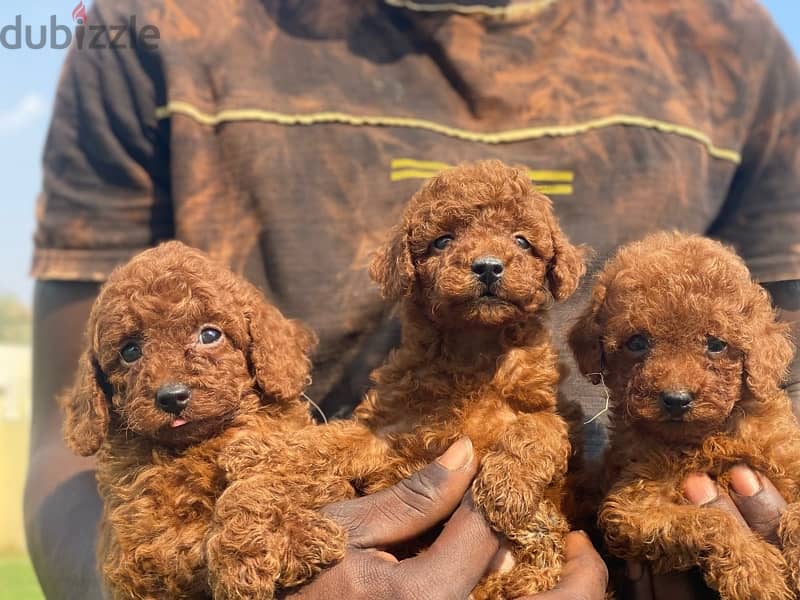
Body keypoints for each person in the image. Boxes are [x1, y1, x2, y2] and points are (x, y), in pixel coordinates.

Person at [25, 0, 799, 598]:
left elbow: (780, 385)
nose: (490, 262)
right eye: (442, 246)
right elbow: (78, 441)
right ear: (404, 268)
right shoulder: (151, 28)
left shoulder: (730, 47)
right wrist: (194, 579)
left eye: (522, 245)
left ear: (559, 267)